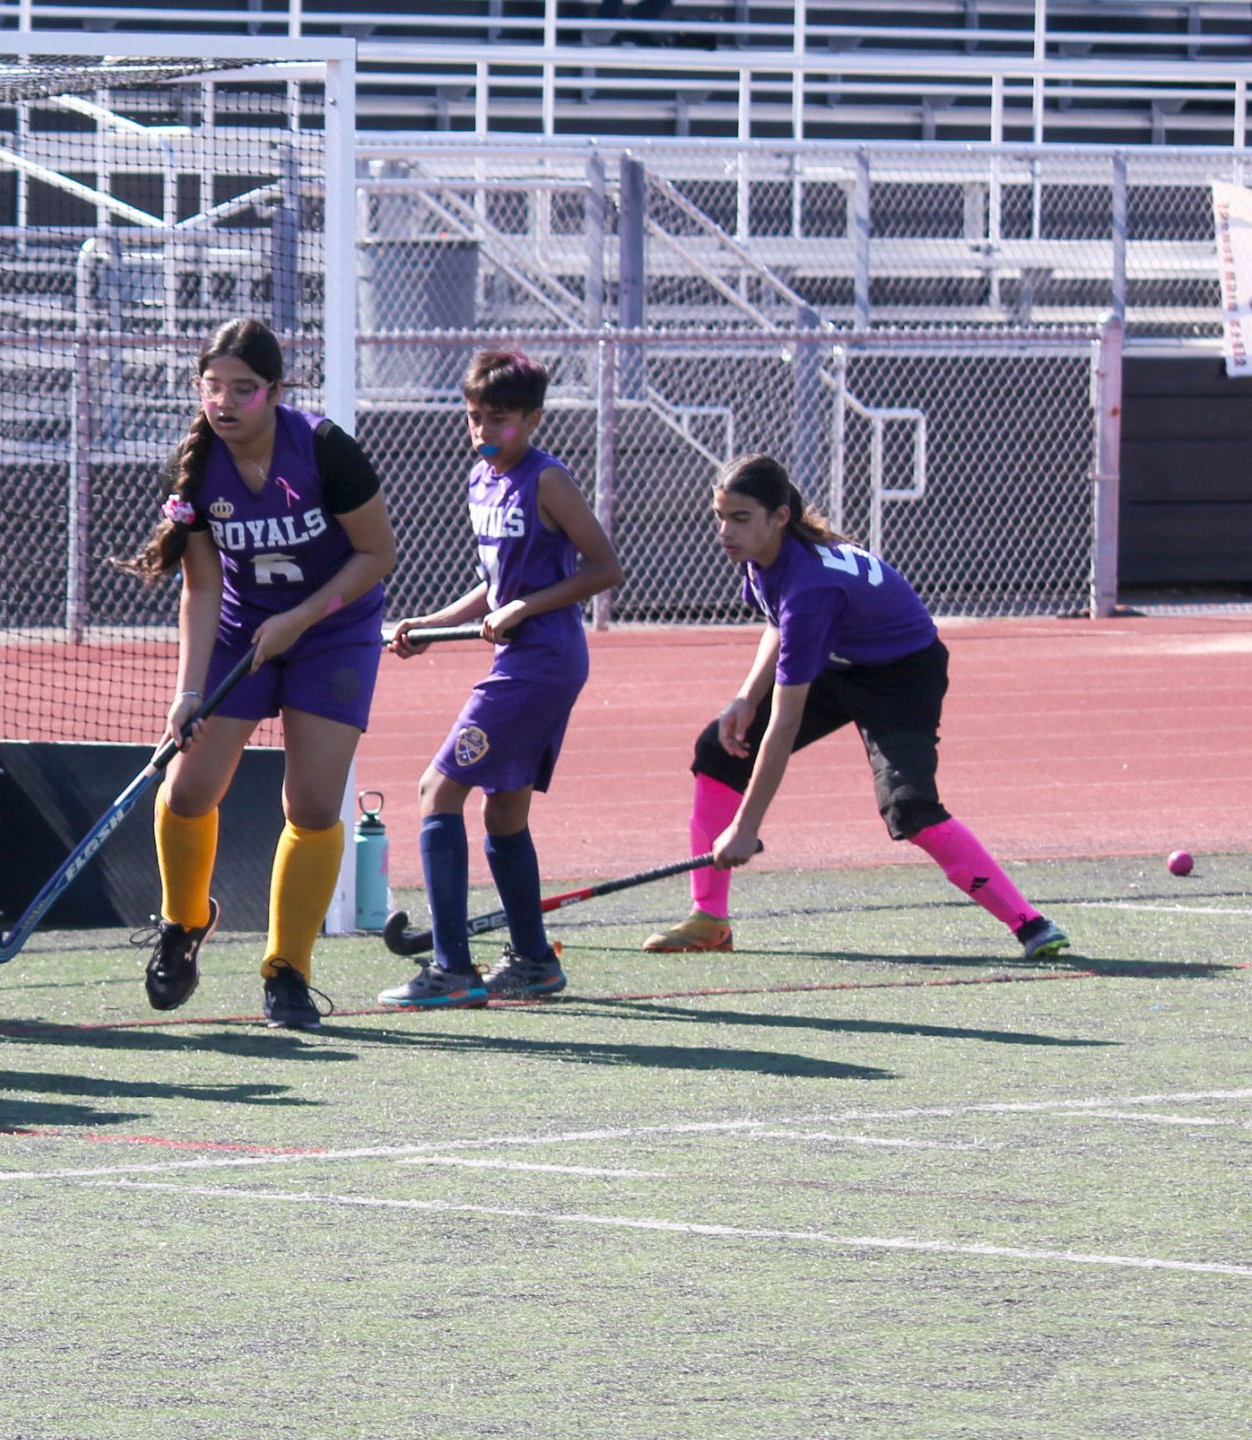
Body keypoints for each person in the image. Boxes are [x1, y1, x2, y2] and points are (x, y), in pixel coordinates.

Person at [639, 453, 1071, 962]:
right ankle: (709, 919)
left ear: (779, 517)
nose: (725, 531)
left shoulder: (811, 588)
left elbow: (785, 721)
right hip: (839, 659)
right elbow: (778, 624)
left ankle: (1030, 922)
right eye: (720, 517)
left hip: (902, 674)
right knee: (719, 750)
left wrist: (747, 826)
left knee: (909, 807)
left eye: (739, 518)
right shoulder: (764, 557)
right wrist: (744, 697)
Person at [118, 316, 399, 1030]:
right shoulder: (194, 463)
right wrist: (187, 692)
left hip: (333, 629)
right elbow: (203, 588)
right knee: (188, 790)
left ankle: (287, 972)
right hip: (244, 631)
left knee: (310, 805)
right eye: (213, 387)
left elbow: (376, 556)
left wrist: (301, 619)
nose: (225, 402)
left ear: (275, 392)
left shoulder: (327, 450)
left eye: (243, 389)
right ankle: (184, 925)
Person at [379, 350, 623, 1009]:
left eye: (502, 420)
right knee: (503, 809)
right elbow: (495, 586)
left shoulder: (549, 480)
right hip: (520, 657)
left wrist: (527, 606)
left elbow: (604, 569)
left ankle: (453, 970)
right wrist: (428, 625)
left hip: (544, 659)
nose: (485, 432)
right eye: (475, 418)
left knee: (438, 790)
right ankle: (535, 962)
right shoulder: (480, 479)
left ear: (535, 419)